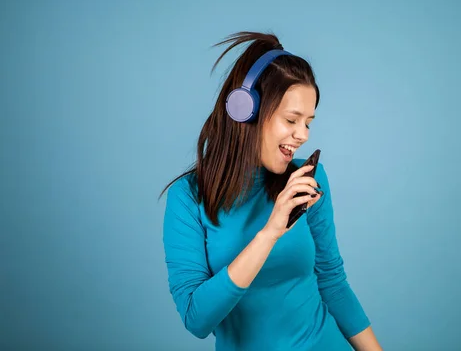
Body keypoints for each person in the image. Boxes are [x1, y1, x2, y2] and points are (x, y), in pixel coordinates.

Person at [160, 31, 382, 350]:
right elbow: (197, 319)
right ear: (245, 110)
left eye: (308, 122)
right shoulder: (187, 198)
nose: (302, 135)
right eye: (292, 120)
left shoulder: (307, 180)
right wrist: (270, 232)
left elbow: (333, 282)